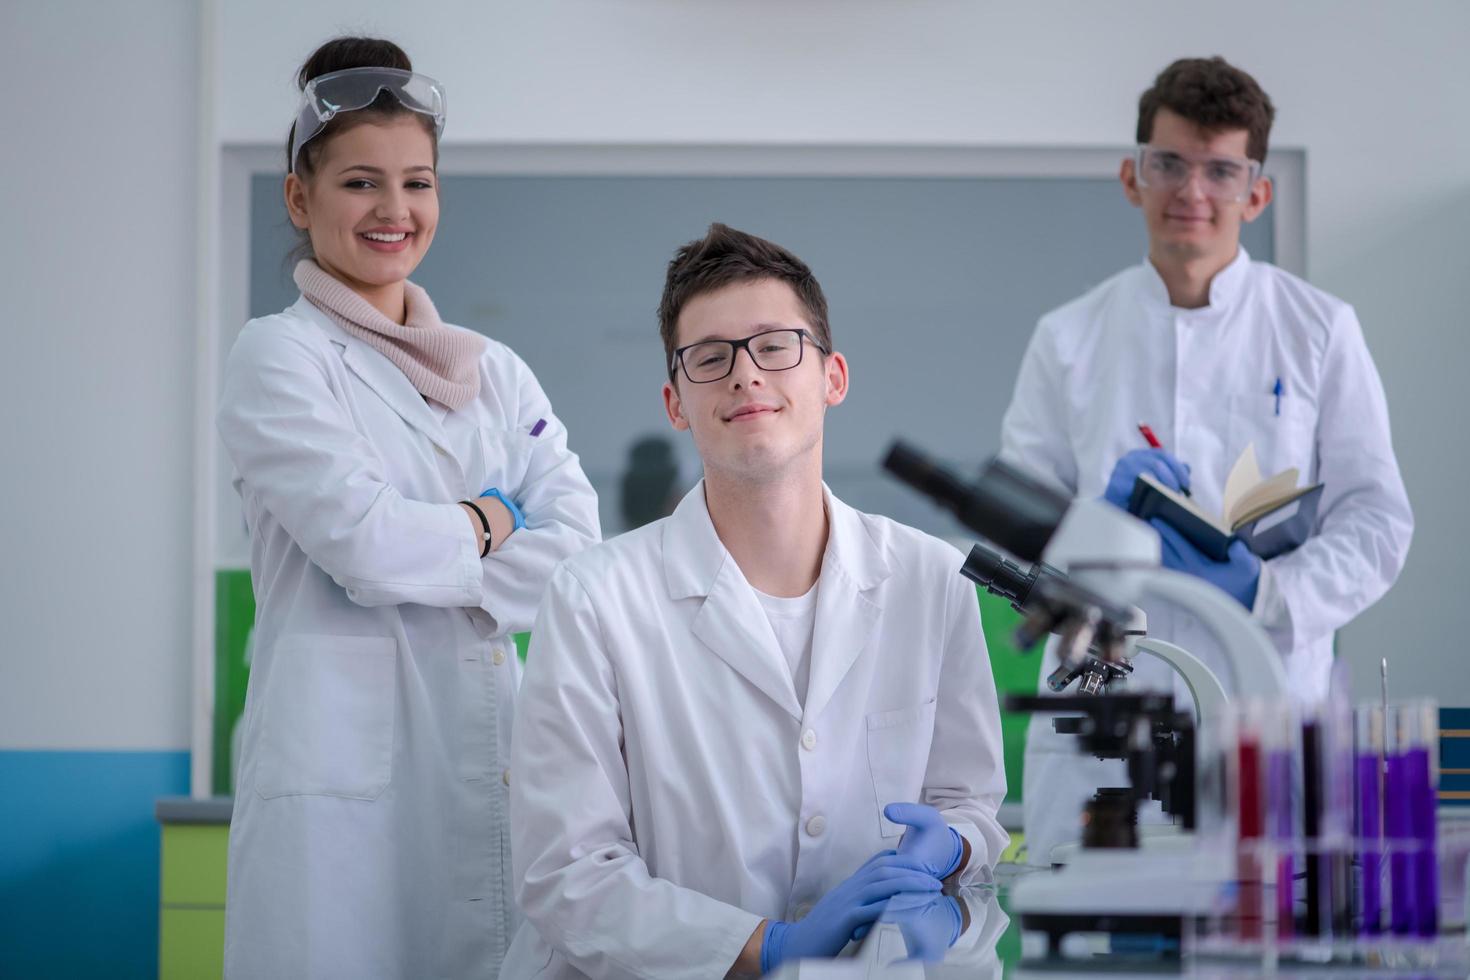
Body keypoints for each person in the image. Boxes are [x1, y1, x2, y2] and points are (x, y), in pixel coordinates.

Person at [504, 223, 1008, 978]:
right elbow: (567, 875)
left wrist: (956, 843)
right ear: (677, 403)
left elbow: (971, 804)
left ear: (832, 377)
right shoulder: (595, 599)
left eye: (775, 346)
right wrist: (762, 948)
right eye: (711, 358)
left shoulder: (931, 580)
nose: (745, 375)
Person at [216, 36, 600, 977]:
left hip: (493, 762)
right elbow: (368, 548)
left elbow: (579, 552)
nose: (395, 211)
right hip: (339, 792)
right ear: (298, 197)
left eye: (418, 182)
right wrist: (492, 518)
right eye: (360, 183)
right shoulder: (280, 357)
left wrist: (440, 550)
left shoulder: (493, 372)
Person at [999, 56, 1413, 865]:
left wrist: (1268, 591)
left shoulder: (1320, 331)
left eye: (1221, 170)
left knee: (1261, 927)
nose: (1193, 191)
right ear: (1132, 176)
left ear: (1256, 191)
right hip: (1108, 695)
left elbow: (1377, 521)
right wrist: (1093, 529)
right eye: (1170, 164)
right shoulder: (1069, 337)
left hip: (1266, 699)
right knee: (1094, 934)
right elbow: (1023, 524)